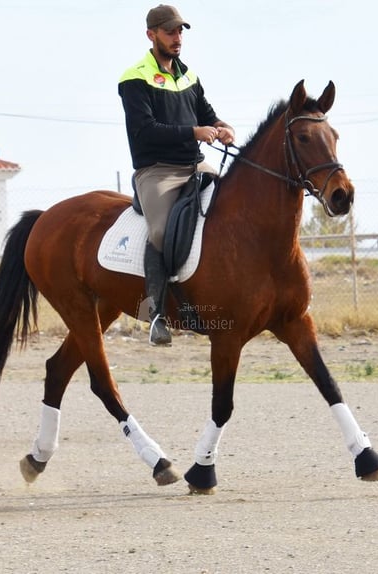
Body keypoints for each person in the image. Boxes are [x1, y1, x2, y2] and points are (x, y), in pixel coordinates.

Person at [119, 4, 235, 346]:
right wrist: (193, 133)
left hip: (195, 165)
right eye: (170, 32)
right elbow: (145, 131)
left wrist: (221, 127)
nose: (177, 38)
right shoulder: (134, 78)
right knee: (159, 232)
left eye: (180, 31)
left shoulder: (189, 76)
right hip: (157, 172)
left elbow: (207, 114)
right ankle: (155, 314)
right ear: (151, 35)